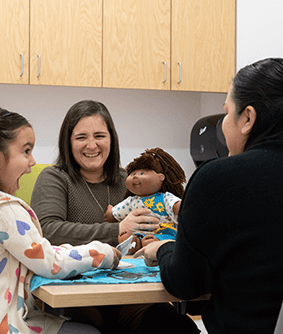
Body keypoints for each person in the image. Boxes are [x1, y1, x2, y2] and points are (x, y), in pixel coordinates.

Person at [135, 58, 283, 334]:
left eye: (226, 113)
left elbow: (185, 283)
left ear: (247, 118)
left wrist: (161, 249)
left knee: (157, 320)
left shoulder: (217, 178)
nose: (223, 124)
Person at [0, 104, 121, 334]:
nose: (32, 162)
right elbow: (51, 263)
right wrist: (102, 253)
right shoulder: (4, 210)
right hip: (3, 327)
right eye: (26, 151)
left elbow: (38, 252)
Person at [31, 100, 200, 334]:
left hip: (133, 295)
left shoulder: (130, 181)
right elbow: (48, 231)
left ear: (111, 139)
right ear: (68, 142)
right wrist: (117, 230)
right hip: (76, 297)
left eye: (100, 135)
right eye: (81, 137)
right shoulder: (54, 178)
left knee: (180, 327)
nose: (92, 145)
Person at [104, 147, 186, 254]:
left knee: (162, 241)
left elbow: (175, 206)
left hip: (164, 233)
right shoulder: (131, 201)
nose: (135, 177)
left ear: (161, 177)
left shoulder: (165, 197)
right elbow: (117, 212)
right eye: (133, 174)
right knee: (133, 238)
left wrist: (181, 207)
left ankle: (154, 243)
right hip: (141, 234)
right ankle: (132, 244)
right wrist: (111, 213)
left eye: (142, 173)